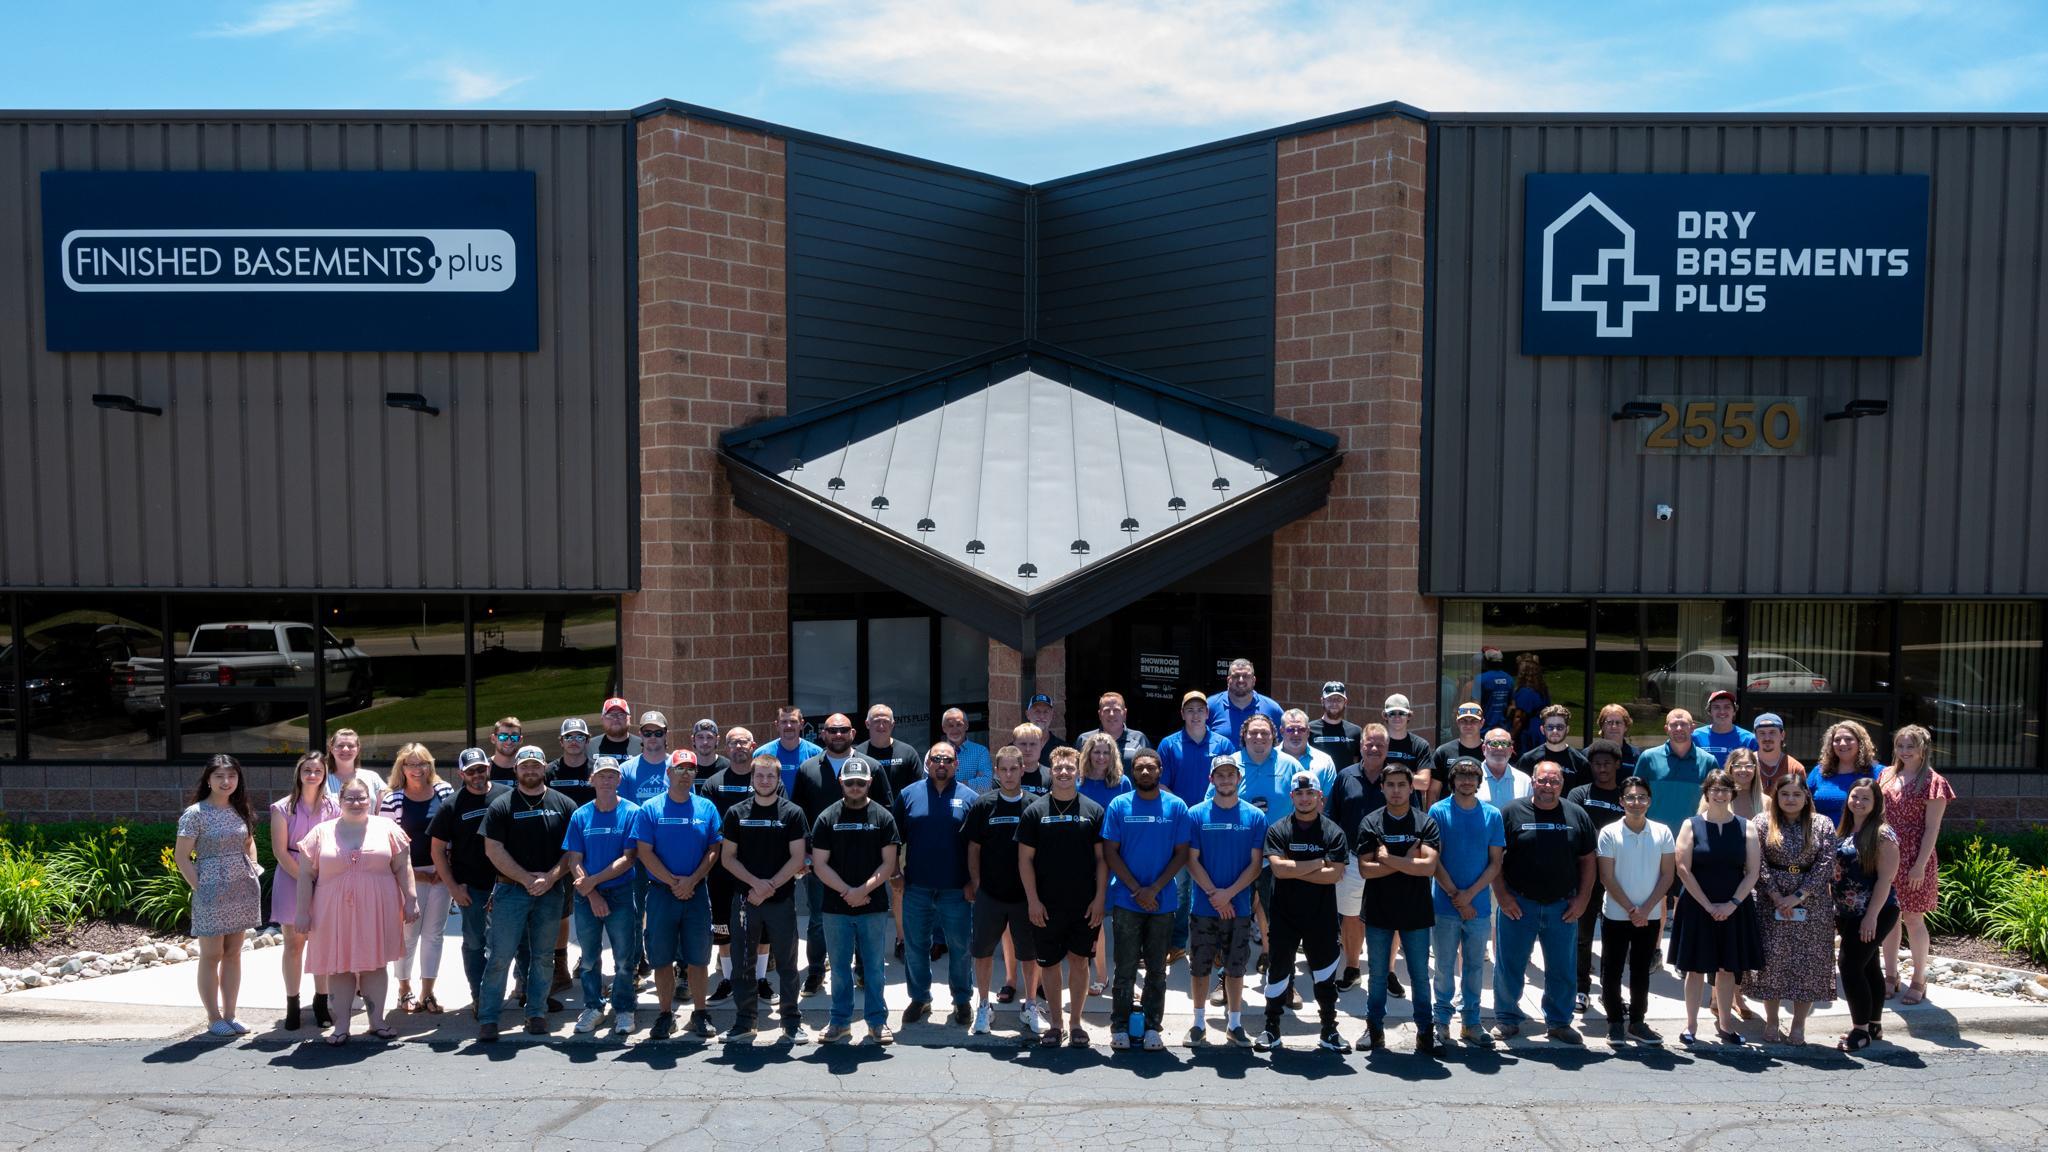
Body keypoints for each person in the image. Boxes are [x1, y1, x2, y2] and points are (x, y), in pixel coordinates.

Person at [296, 776, 416, 1045]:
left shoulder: (388, 828)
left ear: (371, 800)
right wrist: (302, 912)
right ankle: (341, 1025)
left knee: (375, 964)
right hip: (331, 911)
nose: (356, 802)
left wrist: (411, 899)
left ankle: (377, 1022)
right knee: (339, 967)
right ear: (339, 802)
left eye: (362, 797)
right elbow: (305, 876)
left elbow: (402, 867)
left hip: (379, 908)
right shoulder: (320, 833)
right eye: (349, 798)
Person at [475, 745, 578, 1042]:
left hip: (551, 891)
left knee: (543, 957)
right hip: (510, 891)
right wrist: (525, 879)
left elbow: (572, 850)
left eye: (535, 765)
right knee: (499, 957)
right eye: (524, 766)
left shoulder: (563, 804)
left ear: (544, 767)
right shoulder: (502, 805)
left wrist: (550, 877)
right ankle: (489, 1018)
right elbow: (492, 848)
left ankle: (536, 1013)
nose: (530, 770)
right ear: (516, 770)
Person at [1491, 761, 1597, 1044]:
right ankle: (1507, 1018)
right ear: (1533, 782)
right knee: (1509, 965)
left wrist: (1583, 898)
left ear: (1562, 784)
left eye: (1554, 781)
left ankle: (1560, 1022)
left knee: (1562, 968)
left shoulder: (1577, 815)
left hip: (1562, 907)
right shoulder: (1511, 812)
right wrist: (1502, 895)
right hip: (1518, 904)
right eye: (1542, 781)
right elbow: (1495, 858)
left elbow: (1588, 860)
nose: (1547, 786)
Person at [792, 714, 896, 993]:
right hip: (821, 862)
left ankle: (862, 971)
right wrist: (803, 856)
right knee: (817, 921)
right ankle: (815, 972)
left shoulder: (870, 766)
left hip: (866, 862)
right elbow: (798, 817)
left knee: (864, 921)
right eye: (831, 730)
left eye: (843, 730)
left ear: (852, 733)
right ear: (822, 734)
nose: (837, 734)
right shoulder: (808, 769)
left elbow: (887, 810)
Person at [1017, 745, 1108, 1048]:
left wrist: (1099, 900)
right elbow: (1024, 860)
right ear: (1051, 772)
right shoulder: (1034, 811)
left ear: (1078, 772)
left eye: (1070, 768)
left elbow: (1102, 861)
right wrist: (1032, 900)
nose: (1065, 773)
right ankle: (1056, 1024)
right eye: (1059, 768)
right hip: (1045, 905)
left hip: (1083, 906)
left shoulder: (1094, 811)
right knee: (1050, 964)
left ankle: (1076, 1023)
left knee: (1080, 962)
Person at [718, 753, 812, 1044]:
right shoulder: (736, 813)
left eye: (771, 775)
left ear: (778, 779)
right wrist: (755, 885)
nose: (765, 780)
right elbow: (727, 858)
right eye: (759, 775)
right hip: (745, 901)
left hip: (780, 901)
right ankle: (745, 1021)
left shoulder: (793, 813)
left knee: (787, 964)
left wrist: (769, 886)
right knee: (742, 963)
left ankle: (791, 1021)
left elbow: (798, 858)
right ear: (752, 778)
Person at [1255, 771, 1351, 1053]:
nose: (1305, 798)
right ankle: (1271, 1029)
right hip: (1284, 915)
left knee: (1324, 976)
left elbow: (1334, 875)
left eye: (1311, 794)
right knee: (1278, 974)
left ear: (1320, 797)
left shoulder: (1333, 831)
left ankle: (1329, 1031)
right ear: (1292, 797)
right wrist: (1317, 862)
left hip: (1320, 916)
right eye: (1300, 793)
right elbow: (1278, 871)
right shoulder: (1278, 829)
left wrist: (1296, 867)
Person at [1102, 748, 1192, 1052]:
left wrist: (1153, 889)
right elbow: (1110, 851)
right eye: (1139, 768)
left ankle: (1153, 1026)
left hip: (1162, 902)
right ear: (1131, 771)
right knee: (1124, 968)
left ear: (1160, 770)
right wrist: (1137, 890)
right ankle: (1120, 1026)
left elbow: (1181, 854)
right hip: (1127, 902)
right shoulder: (1119, 804)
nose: (1145, 773)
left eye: (1150, 768)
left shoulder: (1177, 807)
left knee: (1156, 969)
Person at [632, 747, 723, 1041]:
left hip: (696, 894)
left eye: (690, 769)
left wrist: (692, 881)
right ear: (668, 773)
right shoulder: (651, 809)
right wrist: (673, 882)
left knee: (698, 958)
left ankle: (699, 1013)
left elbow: (714, 849)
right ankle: (664, 1015)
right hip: (661, 894)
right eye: (680, 768)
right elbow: (644, 853)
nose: (685, 774)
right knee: (661, 958)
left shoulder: (706, 808)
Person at [810, 759, 901, 1045]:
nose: (855, 787)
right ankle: (839, 1021)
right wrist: (848, 891)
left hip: (872, 907)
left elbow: (889, 863)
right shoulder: (827, 818)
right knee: (838, 969)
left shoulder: (883, 817)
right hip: (836, 907)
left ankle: (877, 1021)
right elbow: (820, 864)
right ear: (841, 783)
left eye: (860, 783)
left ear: (869, 783)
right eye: (850, 782)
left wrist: (863, 890)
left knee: (874, 968)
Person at [1670, 770, 1764, 1047]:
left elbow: (1753, 871)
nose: (1719, 794)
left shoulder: (1746, 826)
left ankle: (1725, 1025)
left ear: (1732, 793)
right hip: (1698, 905)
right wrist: (1709, 905)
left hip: (1734, 906)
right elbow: (1683, 869)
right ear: (1706, 792)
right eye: (1714, 789)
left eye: (1725, 789)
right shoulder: (1691, 824)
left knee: (1726, 969)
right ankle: (1690, 1026)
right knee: (1695, 969)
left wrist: (1732, 904)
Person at [174, 754, 263, 1038]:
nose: (226, 782)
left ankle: (231, 1014)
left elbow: (249, 842)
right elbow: (181, 856)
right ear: (208, 780)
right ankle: (213, 1017)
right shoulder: (195, 813)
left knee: (234, 953)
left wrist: (253, 871)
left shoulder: (239, 809)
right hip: (211, 890)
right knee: (211, 955)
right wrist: (200, 887)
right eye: (219, 777)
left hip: (241, 889)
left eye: (232, 776)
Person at [1355, 763, 1440, 1054]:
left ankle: (1426, 1032)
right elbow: (1365, 870)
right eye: (1390, 785)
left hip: (1416, 911)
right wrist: (1406, 861)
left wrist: (1388, 859)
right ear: (1382, 788)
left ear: (1410, 787)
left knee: (1418, 975)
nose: (1395, 790)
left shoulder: (1424, 822)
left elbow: (1428, 867)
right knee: (1378, 975)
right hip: (1379, 911)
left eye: (1401, 785)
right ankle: (1375, 1029)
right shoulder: (1370, 822)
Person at [1184, 754, 1265, 1047]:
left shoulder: (1255, 817)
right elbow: (1191, 861)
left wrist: (1228, 895)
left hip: (1239, 907)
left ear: (1238, 778)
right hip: (1204, 907)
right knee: (1200, 967)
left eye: (1231, 774)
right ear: (1211, 779)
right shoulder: (1196, 814)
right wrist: (1215, 896)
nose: (1226, 779)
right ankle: (1197, 1023)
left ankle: (1235, 1024)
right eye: (1220, 775)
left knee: (1236, 967)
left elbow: (1256, 865)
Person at [1750, 772, 1837, 1045]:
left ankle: (1799, 1025)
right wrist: (1776, 895)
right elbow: (1757, 862)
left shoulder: (1822, 824)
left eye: (1796, 794)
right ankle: (1772, 1021)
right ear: (1776, 796)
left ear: (1806, 797)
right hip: (1769, 900)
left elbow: (1825, 864)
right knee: (1772, 964)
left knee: (1808, 965)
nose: (1790, 799)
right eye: (1785, 793)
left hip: (1812, 903)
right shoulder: (1763, 822)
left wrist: (1798, 896)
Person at [897, 741, 979, 1028]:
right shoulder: (908, 795)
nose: (941, 763)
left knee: (960, 947)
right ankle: (920, 998)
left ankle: (962, 1000)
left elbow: (975, 846)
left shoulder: (970, 798)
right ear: (927, 763)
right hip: (917, 887)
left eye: (947, 759)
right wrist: (895, 873)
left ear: (956, 764)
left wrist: (972, 881)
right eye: (936, 759)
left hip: (956, 889)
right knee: (916, 946)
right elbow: (894, 840)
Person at [963, 744, 1041, 1037]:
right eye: (1003, 769)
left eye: (1014, 769)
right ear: (996, 771)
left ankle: (1030, 1005)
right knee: (982, 952)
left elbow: (1041, 854)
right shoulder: (984, 805)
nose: (1008, 775)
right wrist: (976, 883)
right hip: (990, 895)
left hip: (1024, 897)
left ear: (1023, 770)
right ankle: (984, 1005)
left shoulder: (1035, 805)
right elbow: (973, 848)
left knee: (1029, 954)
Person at [562, 756, 642, 1036]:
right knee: (589, 958)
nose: (607, 780)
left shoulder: (633, 812)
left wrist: (593, 882)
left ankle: (623, 1008)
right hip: (587, 896)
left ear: (619, 780)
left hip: (620, 893)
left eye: (612, 776)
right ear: (592, 779)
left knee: (623, 958)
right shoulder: (580, 815)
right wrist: (592, 893)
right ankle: (594, 1006)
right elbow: (574, 859)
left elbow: (629, 858)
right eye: (602, 775)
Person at [1428, 757, 1503, 1048]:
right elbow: (1434, 860)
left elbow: (1495, 863)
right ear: (1453, 780)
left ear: (1479, 781)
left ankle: (1471, 1022)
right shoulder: (1438, 811)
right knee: (1444, 967)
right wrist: (1457, 898)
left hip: (1479, 907)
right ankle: (1442, 1021)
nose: (1467, 781)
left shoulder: (1492, 815)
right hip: (1445, 906)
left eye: (1472, 776)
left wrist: (1470, 896)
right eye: (1461, 776)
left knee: (1474, 967)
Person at [1595, 776, 1675, 1044]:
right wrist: (1631, 908)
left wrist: (1646, 909)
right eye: (1630, 797)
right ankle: (1615, 1021)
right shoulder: (1609, 832)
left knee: (1641, 970)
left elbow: (1667, 875)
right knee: (1612, 968)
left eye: (1641, 797)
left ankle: (1638, 1022)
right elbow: (1606, 876)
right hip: (1617, 914)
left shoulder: (1663, 832)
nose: (1636, 802)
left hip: (1649, 916)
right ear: (1621, 801)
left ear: (1649, 801)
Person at [1158, 690, 1234, 966]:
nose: (1195, 714)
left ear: (1207, 713)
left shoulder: (1223, 744)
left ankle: (1213, 945)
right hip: (1180, 827)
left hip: (1214, 825)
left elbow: (1230, 782)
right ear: (1182, 714)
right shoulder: (1169, 744)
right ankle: (1177, 943)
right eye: (1189, 710)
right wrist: (1187, 811)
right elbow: (1163, 786)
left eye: (1200, 709)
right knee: (1180, 887)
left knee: (1210, 885)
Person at [1881, 724, 1953, 1006]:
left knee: (1913, 917)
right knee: (1888, 916)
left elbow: (1932, 829)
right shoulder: (1886, 776)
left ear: (1923, 748)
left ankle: (1919, 979)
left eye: (1911, 746)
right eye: (1900, 745)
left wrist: (1919, 865)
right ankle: (1890, 975)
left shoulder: (1934, 782)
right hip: (1887, 853)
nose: (1905, 751)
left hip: (1915, 856)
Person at [378, 743, 453, 1016]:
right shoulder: (393, 799)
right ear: (402, 768)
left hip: (441, 875)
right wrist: (415, 874)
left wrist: (444, 870)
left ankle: (428, 992)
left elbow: (454, 831)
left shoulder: (445, 792)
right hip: (409, 877)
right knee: (408, 936)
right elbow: (386, 843)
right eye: (411, 764)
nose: (417, 769)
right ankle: (404, 990)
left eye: (422, 763)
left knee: (434, 935)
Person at [270, 750, 339, 1031]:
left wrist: (321, 879)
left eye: (318, 771)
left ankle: (321, 1003)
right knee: (294, 945)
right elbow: (279, 851)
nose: (312, 775)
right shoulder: (282, 808)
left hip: (325, 877)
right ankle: (292, 1005)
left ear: (324, 775)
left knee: (321, 944)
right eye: (307, 770)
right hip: (291, 877)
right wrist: (304, 879)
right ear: (299, 773)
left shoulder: (333, 807)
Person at [1833, 778, 1900, 1053]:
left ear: (1876, 804)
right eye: (1855, 797)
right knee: (1869, 965)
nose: (1858, 802)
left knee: (1849, 966)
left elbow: (1885, 880)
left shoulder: (1883, 834)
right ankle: (1873, 1024)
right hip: (1847, 912)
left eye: (1865, 799)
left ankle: (1859, 1031)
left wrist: (1871, 916)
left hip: (1876, 912)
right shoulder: (1847, 828)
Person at [1565, 739, 1629, 1015]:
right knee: (1582, 936)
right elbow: (1575, 830)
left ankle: (1610, 992)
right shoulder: (1579, 794)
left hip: (1619, 875)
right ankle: (1580, 988)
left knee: (1615, 937)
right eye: (1597, 763)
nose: (1602, 768)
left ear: (1617, 764)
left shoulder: (1626, 796)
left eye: (1607, 763)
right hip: (1585, 876)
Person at [1327, 725, 1391, 992]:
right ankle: (1352, 967)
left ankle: (1386, 973)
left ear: (1387, 748)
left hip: (1388, 862)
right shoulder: (1345, 776)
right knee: (1350, 915)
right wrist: (1335, 857)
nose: (1374, 749)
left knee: (1389, 917)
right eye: (1369, 744)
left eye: (1379, 744)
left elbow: (1414, 819)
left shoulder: (1397, 777)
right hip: (1351, 858)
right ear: (1361, 746)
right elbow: (1331, 817)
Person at [693, 735, 757, 1002]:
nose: (739, 747)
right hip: (721, 867)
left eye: (744, 742)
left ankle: (759, 978)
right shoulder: (713, 784)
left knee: (759, 923)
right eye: (733, 742)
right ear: (726, 748)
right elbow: (708, 826)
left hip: (758, 865)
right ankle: (729, 978)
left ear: (752, 747)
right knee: (722, 923)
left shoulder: (764, 777)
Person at [1638, 710, 1720, 831]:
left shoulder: (1708, 761)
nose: (1679, 728)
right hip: (1654, 837)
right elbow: (1637, 798)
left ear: (1692, 728)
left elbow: (1716, 802)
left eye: (1683, 724)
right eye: (1674, 725)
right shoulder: (1648, 758)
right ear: (1666, 729)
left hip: (1694, 837)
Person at [1807, 719, 1880, 827]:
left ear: (1860, 743)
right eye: (1837, 740)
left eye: (1849, 739)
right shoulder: (1819, 772)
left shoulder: (1878, 772)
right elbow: (1803, 803)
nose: (1842, 743)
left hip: (1862, 839)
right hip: (1823, 839)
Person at [1207, 658, 1285, 746]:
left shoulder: (1272, 708)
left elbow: (1284, 741)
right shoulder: (1210, 706)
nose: (1241, 680)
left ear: (1253, 680)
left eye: (1246, 676)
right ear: (1228, 680)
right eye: (1236, 676)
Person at [1515, 705, 1589, 793]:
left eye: (1560, 727)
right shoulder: (1528, 760)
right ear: (1542, 730)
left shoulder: (1580, 762)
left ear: (1567, 729)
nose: (1555, 731)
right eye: (1550, 727)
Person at [1076, 691, 1150, 772]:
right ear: (1100, 714)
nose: (1111, 714)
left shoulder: (1139, 738)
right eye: (1107, 710)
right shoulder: (1085, 740)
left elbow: (1150, 770)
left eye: (1116, 710)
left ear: (1124, 713)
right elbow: (1076, 771)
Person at [1381, 694, 1434, 802]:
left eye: (1402, 713)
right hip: (1381, 807)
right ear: (1385, 716)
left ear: (1409, 716)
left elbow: (1424, 783)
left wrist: (1385, 776)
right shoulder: (1378, 743)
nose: (1397, 717)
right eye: (1392, 713)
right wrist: (1411, 776)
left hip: (1411, 809)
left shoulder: (1420, 745)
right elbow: (1371, 775)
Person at [1694, 690, 1759, 767]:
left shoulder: (1749, 739)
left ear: (1734, 711)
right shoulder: (1696, 736)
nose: (1722, 711)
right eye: (1716, 707)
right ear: (1709, 711)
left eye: (1727, 707)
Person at [619, 713, 673, 806]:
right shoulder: (625, 770)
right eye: (647, 733)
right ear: (640, 734)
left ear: (665, 734)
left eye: (658, 733)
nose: (653, 737)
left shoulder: (678, 767)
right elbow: (622, 810)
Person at [1309, 681, 1362, 772]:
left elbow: (1360, 764)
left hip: (1345, 785)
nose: (1334, 704)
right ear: (1322, 701)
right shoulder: (1309, 729)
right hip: (1318, 784)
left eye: (1338, 700)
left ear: (1345, 702)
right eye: (1330, 699)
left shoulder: (1356, 732)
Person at [324, 727, 386, 804]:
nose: (345, 749)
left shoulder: (373, 778)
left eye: (350, 746)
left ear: (358, 749)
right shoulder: (322, 779)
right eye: (340, 745)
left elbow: (384, 811)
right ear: (332, 749)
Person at [940, 708, 995, 795]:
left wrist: (951, 785)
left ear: (966, 726)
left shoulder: (981, 752)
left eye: (959, 725)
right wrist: (971, 782)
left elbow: (986, 784)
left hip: (973, 806)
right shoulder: (936, 753)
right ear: (944, 728)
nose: (955, 729)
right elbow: (930, 783)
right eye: (950, 726)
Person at [771, 705, 826, 793]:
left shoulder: (817, 753)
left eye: (793, 721)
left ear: (801, 724)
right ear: (777, 725)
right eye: (784, 722)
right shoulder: (763, 753)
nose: (789, 726)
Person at [1431, 702, 1489, 783]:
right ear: (1457, 723)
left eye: (1474, 721)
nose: (1468, 725)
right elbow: (1433, 791)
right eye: (1463, 721)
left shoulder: (1490, 751)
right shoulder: (1443, 752)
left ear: (1482, 723)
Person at [550, 717, 600, 810]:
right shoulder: (548, 772)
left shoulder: (597, 770)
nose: (573, 742)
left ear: (587, 741)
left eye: (580, 737)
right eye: (568, 737)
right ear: (561, 742)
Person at [1476, 727, 1531, 809]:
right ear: (1484, 748)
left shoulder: (1525, 781)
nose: (1500, 748)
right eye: (1494, 743)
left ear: (1511, 750)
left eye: (1505, 744)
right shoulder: (1469, 777)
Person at [1752, 713, 1804, 797]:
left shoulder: (1795, 768)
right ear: (1756, 736)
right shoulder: (1745, 765)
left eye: (1772, 732)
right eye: (1762, 733)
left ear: (1782, 735)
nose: (1767, 738)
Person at [1510, 654, 1552, 755]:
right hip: (1540, 730)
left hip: (1528, 733)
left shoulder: (1525, 692)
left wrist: (1511, 737)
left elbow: (1519, 718)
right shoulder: (1542, 690)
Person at [1473, 648, 1515, 732]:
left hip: (1485, 728)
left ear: (1486, 662)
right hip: (1503, 728)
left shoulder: (1480, 679)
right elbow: (1512, 706)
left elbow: (1476, 705)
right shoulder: (1509, 679)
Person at [1720, 747, 1766, 821]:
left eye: (1749, 766)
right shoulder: (1716, 798)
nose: (1743, 770)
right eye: (1737, 766)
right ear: (1730, 769)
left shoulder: (1766, 801)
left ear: (1755, 769)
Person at [593, 696, 641, 762]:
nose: (615, 719)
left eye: (621, 715)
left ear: (629, 718)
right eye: (610, 715)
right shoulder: (590, 746)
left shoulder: (642, 746)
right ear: (602, 719)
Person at [1026, 692, 1069, 766]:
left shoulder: (1063, 748)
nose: (1042, 716)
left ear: (1052, 715)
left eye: (1046, 712)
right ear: (1028, 714)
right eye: (1037, 711)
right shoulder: (1017, 746)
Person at [1596, 704, 1642, 772]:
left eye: (1618, 722)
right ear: (1602, 725)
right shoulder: (1589, 754)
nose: (1614, 726)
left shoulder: (1637, 756)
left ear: (1626, 727)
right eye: (1609, 722)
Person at [486, 716, 525, 784]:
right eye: (503, 737)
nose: (509, 742)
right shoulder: (482, 769)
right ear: (493, 739)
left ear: (520, 740)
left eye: (514, 737)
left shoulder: (528, 769)